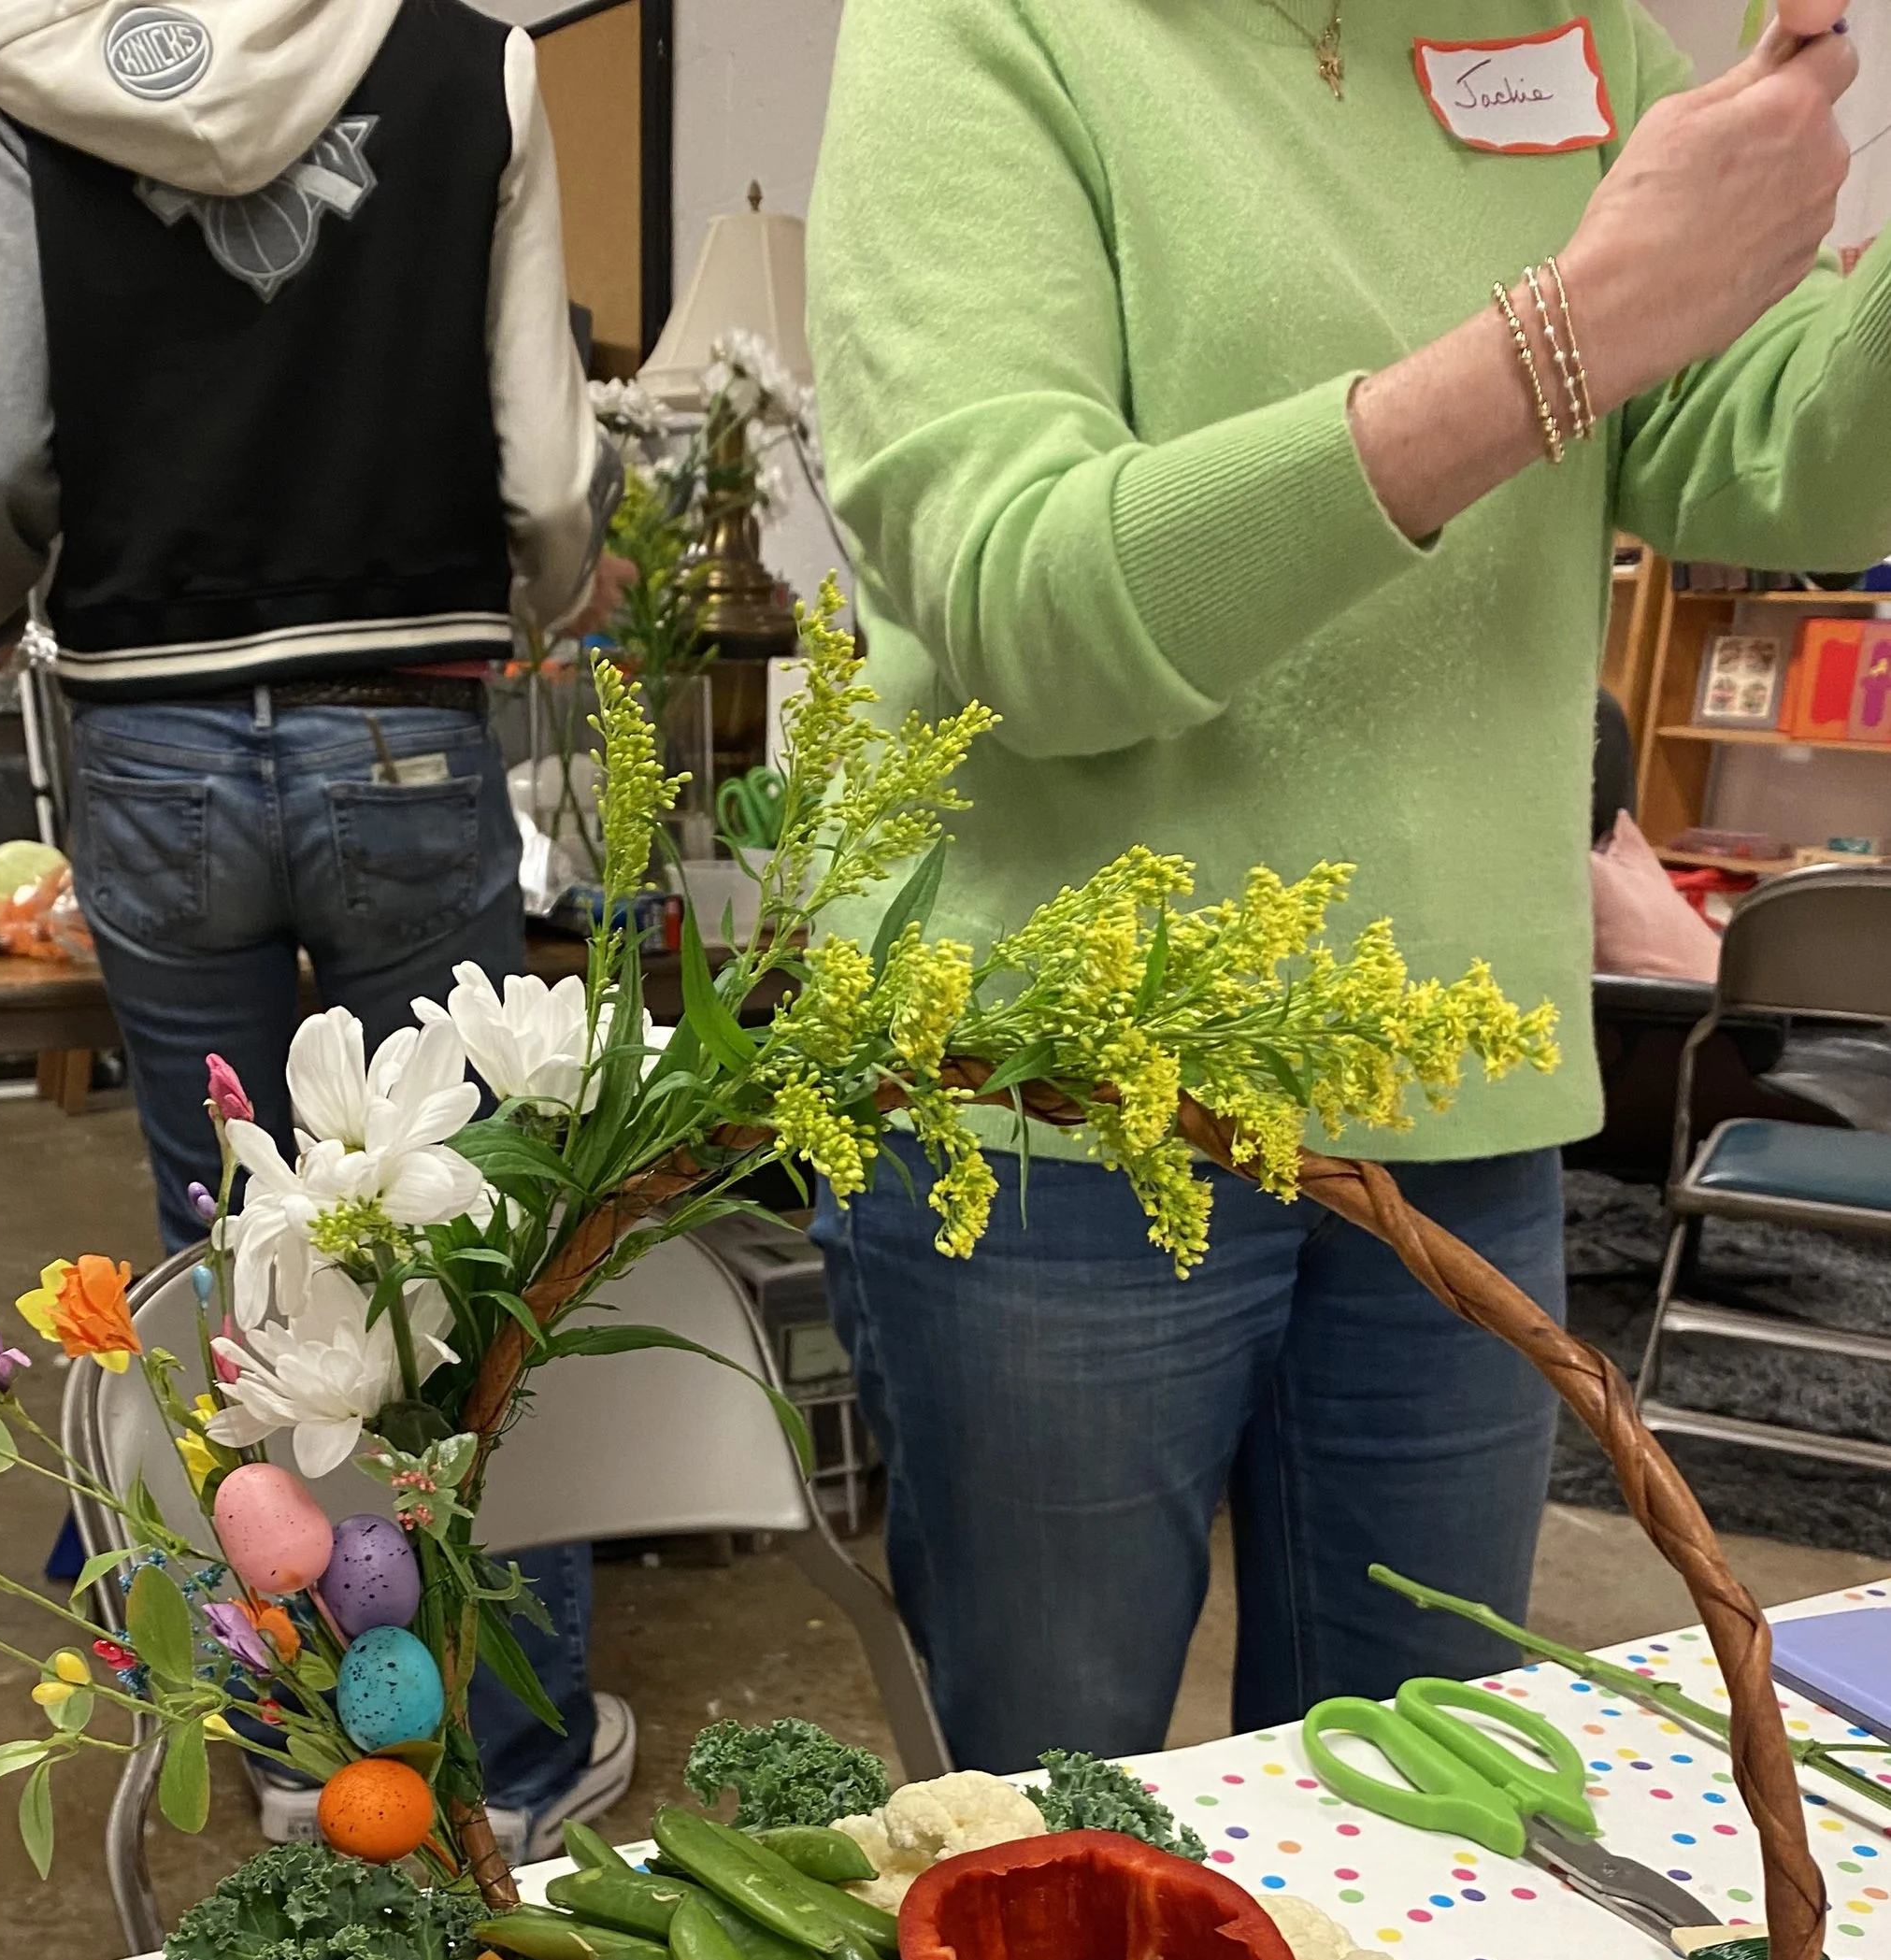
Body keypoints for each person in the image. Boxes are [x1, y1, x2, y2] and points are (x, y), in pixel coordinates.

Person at [807, 0, 1891, 1773]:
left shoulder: (1582, 28)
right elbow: (1025, 602)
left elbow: (1805, 471)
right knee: (1049, 1803)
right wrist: (1568, 331)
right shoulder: (985, 23)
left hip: (1455, 1098)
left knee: (1413, 1800)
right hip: (1068, 1101)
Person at [0, 0, 635, 1860]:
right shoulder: (469, 61)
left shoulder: (15, 65)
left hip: (149, 739)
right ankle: (510, 1758)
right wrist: (549, 593)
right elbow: (547, 475)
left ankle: (296, 1745)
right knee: (464, 1248)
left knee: (228, 1258)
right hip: (404, 719)